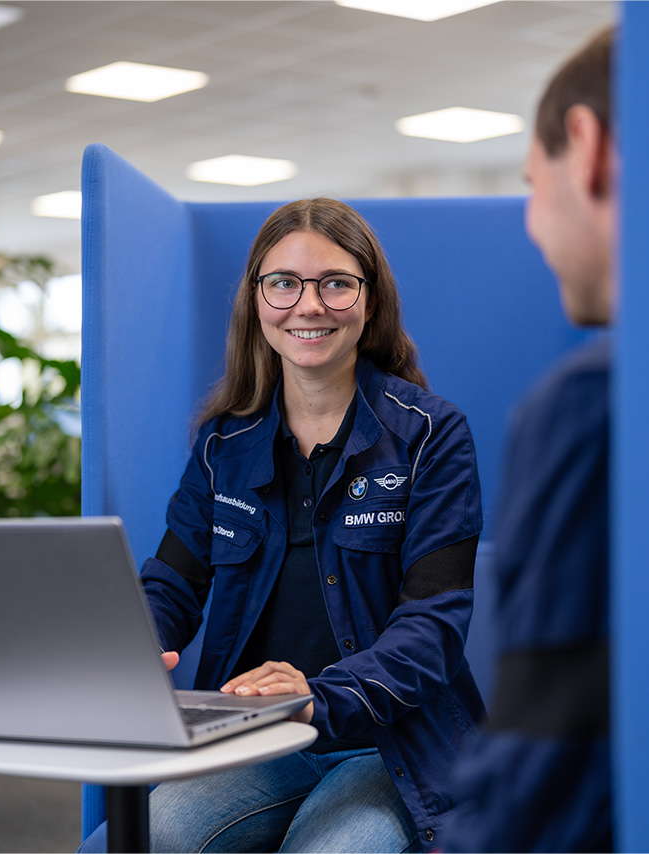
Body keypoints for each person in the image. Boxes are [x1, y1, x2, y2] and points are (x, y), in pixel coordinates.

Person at [83, 198, 484, 853]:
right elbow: (172, 584)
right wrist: (132, 647)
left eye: (335, 283)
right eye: (284, 283)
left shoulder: (431, 437)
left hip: (388, 746)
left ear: (370, 301)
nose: (309, 305)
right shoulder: (222, 447)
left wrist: (315, 697)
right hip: (256, 740)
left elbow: (433, 630)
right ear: (257, 300)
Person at [447, 24, 618, 853]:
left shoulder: (589, 405)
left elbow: (543, 764)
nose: (530, 222)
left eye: (530, 183)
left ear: (585, 149)